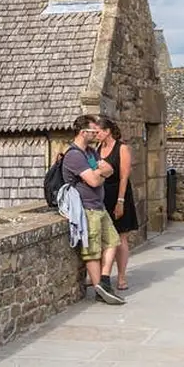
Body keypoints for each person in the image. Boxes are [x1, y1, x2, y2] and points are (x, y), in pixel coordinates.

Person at [61, 114, 125, 305]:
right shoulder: (74, 155)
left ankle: (103, 282)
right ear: (82, 133)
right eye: (93, 131)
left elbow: (110, 169)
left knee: (113, 241)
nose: (96, 134)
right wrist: (99, 173)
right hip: (86, 209)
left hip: (99, 206)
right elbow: (95, 179)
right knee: (92, 251)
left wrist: (98, 173)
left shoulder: (91, 152)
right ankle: (100, 290)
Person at [96, 116, 139, 291]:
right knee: (102, 237)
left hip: (119, 194)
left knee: (121, 237)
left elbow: (124, 176)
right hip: (102, 195)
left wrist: (120, 202)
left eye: (98, 131)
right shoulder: (98, 148)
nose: (96, 134)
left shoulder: (122, 148)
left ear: (107, 132)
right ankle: (100, 274)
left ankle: (121, 277)